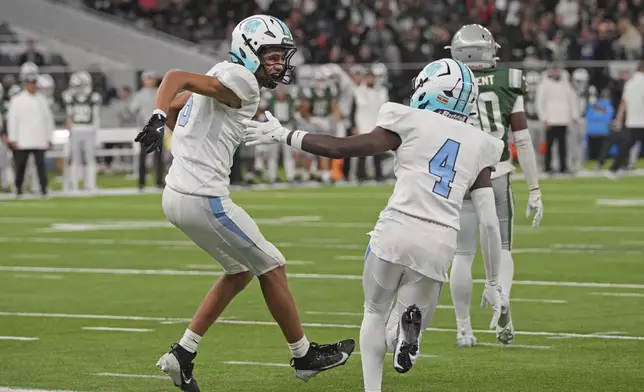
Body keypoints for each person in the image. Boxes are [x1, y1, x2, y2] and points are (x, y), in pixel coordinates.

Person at [244, 58, 507, 392]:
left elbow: (341, 149)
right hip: (439, 241)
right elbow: (488, 222)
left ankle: (374, 387)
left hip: (395, 230)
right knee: (408, 313)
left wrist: (284, 134)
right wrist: (495, 282)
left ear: (432, 90)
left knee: (374, 311)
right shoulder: (480, 143)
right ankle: (405, 333)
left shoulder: (409, 120)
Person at [133, 14, 355, 392]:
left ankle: (182, 354)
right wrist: (157, 115)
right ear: (247, 53)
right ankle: (303, 356)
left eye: (281, 56)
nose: (279, 65)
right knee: (273, 265)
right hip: (204, 196)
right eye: (271, 57)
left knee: (240, 272)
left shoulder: (223, 76)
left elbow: (178, 108)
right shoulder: (242, 81)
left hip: (177, 194)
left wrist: (178, 127)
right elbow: (174, 78)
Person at [447, 24, 544, 347]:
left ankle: (464, 329)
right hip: (498, 173)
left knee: (462, 254)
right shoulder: (508, 81)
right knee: (502, 247)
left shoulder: (447, 80)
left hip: (461, 176)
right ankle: (501, 301)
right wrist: (534, 189)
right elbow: (523, 139)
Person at [6, 64, 55, 198]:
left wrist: (49, 137)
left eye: (34, 83)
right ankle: (18, 188)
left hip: (39, 138)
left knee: (41, 166)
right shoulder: (17, 100)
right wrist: (12, 138)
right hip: (23, 139)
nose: (32, 86)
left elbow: (48, 120)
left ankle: (44, 189)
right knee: (21, 166)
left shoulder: (42, 100)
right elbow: (13, 120)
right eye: (30, 83)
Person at [62, 71, 101, 192]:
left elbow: (95, 116)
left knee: (88, 158)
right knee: (76, 159)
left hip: (87, 129)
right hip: (78, 129)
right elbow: (69, 116)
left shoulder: (92, 97)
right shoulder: (71, 97)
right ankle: (75, 184)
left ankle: (89, 184)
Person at [608, 61, 644, 178]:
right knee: (627, 145)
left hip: (632, 120)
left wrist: (619, 117)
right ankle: (615, 168)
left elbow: (623, 102)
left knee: (626, 146)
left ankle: (614, 168)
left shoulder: (629, 83)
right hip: (642, 119)